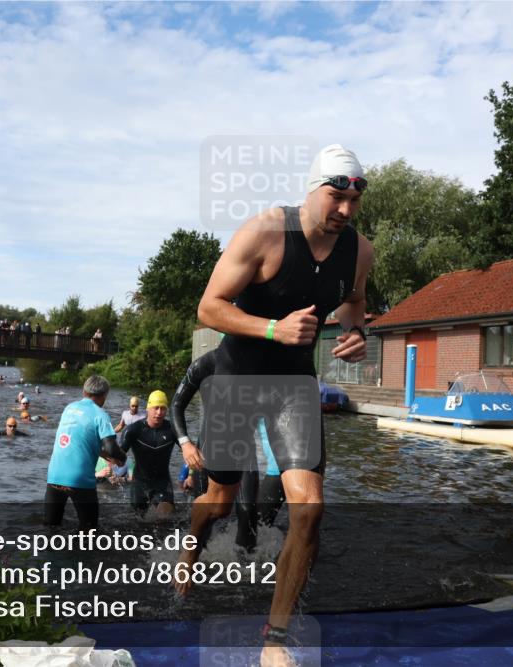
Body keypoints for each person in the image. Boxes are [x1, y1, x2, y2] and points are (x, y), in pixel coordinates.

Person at [175, 144, 374, 663]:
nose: (345, 211)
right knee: (220, 500)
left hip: (293, 384)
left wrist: (356, 333)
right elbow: (209, 307)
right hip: (238, 378)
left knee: (310, 508)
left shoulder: (359, 251)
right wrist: (272, 328)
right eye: (335, 198)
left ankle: (276, 640)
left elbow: (354, 302)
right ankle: (191, 547)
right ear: (311, 190)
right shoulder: (266, 231)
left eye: (355, 201)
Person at [170, 351, 283, 551]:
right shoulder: (205, 364)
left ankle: (246, 565)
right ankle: (193, 554)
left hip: (244, 450)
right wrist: (185, 444)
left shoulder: (260, 366)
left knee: (247, 511)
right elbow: (176, 405)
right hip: (208, 450)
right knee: (210, 513)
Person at [44, 375, 125, 530]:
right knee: (89, 529)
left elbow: (81, 442)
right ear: (104, 396)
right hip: (80, 479)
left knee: (50, 527)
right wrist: (123, 457)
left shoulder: (69, 408)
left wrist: (105, 455)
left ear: (84, 391)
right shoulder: (100, 414)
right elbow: (111, 448)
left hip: (55, 475)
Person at [120, 390, 178, 516]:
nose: (159, 412)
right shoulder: (133, 430)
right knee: (137, 520)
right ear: (148, 408)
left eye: (163, 408)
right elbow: (118, 455)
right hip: (139, 481)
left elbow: (190, 451)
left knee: (166, 516)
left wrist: (190, 475)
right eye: (155, 408)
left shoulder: (173, 429)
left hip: (162, 482)